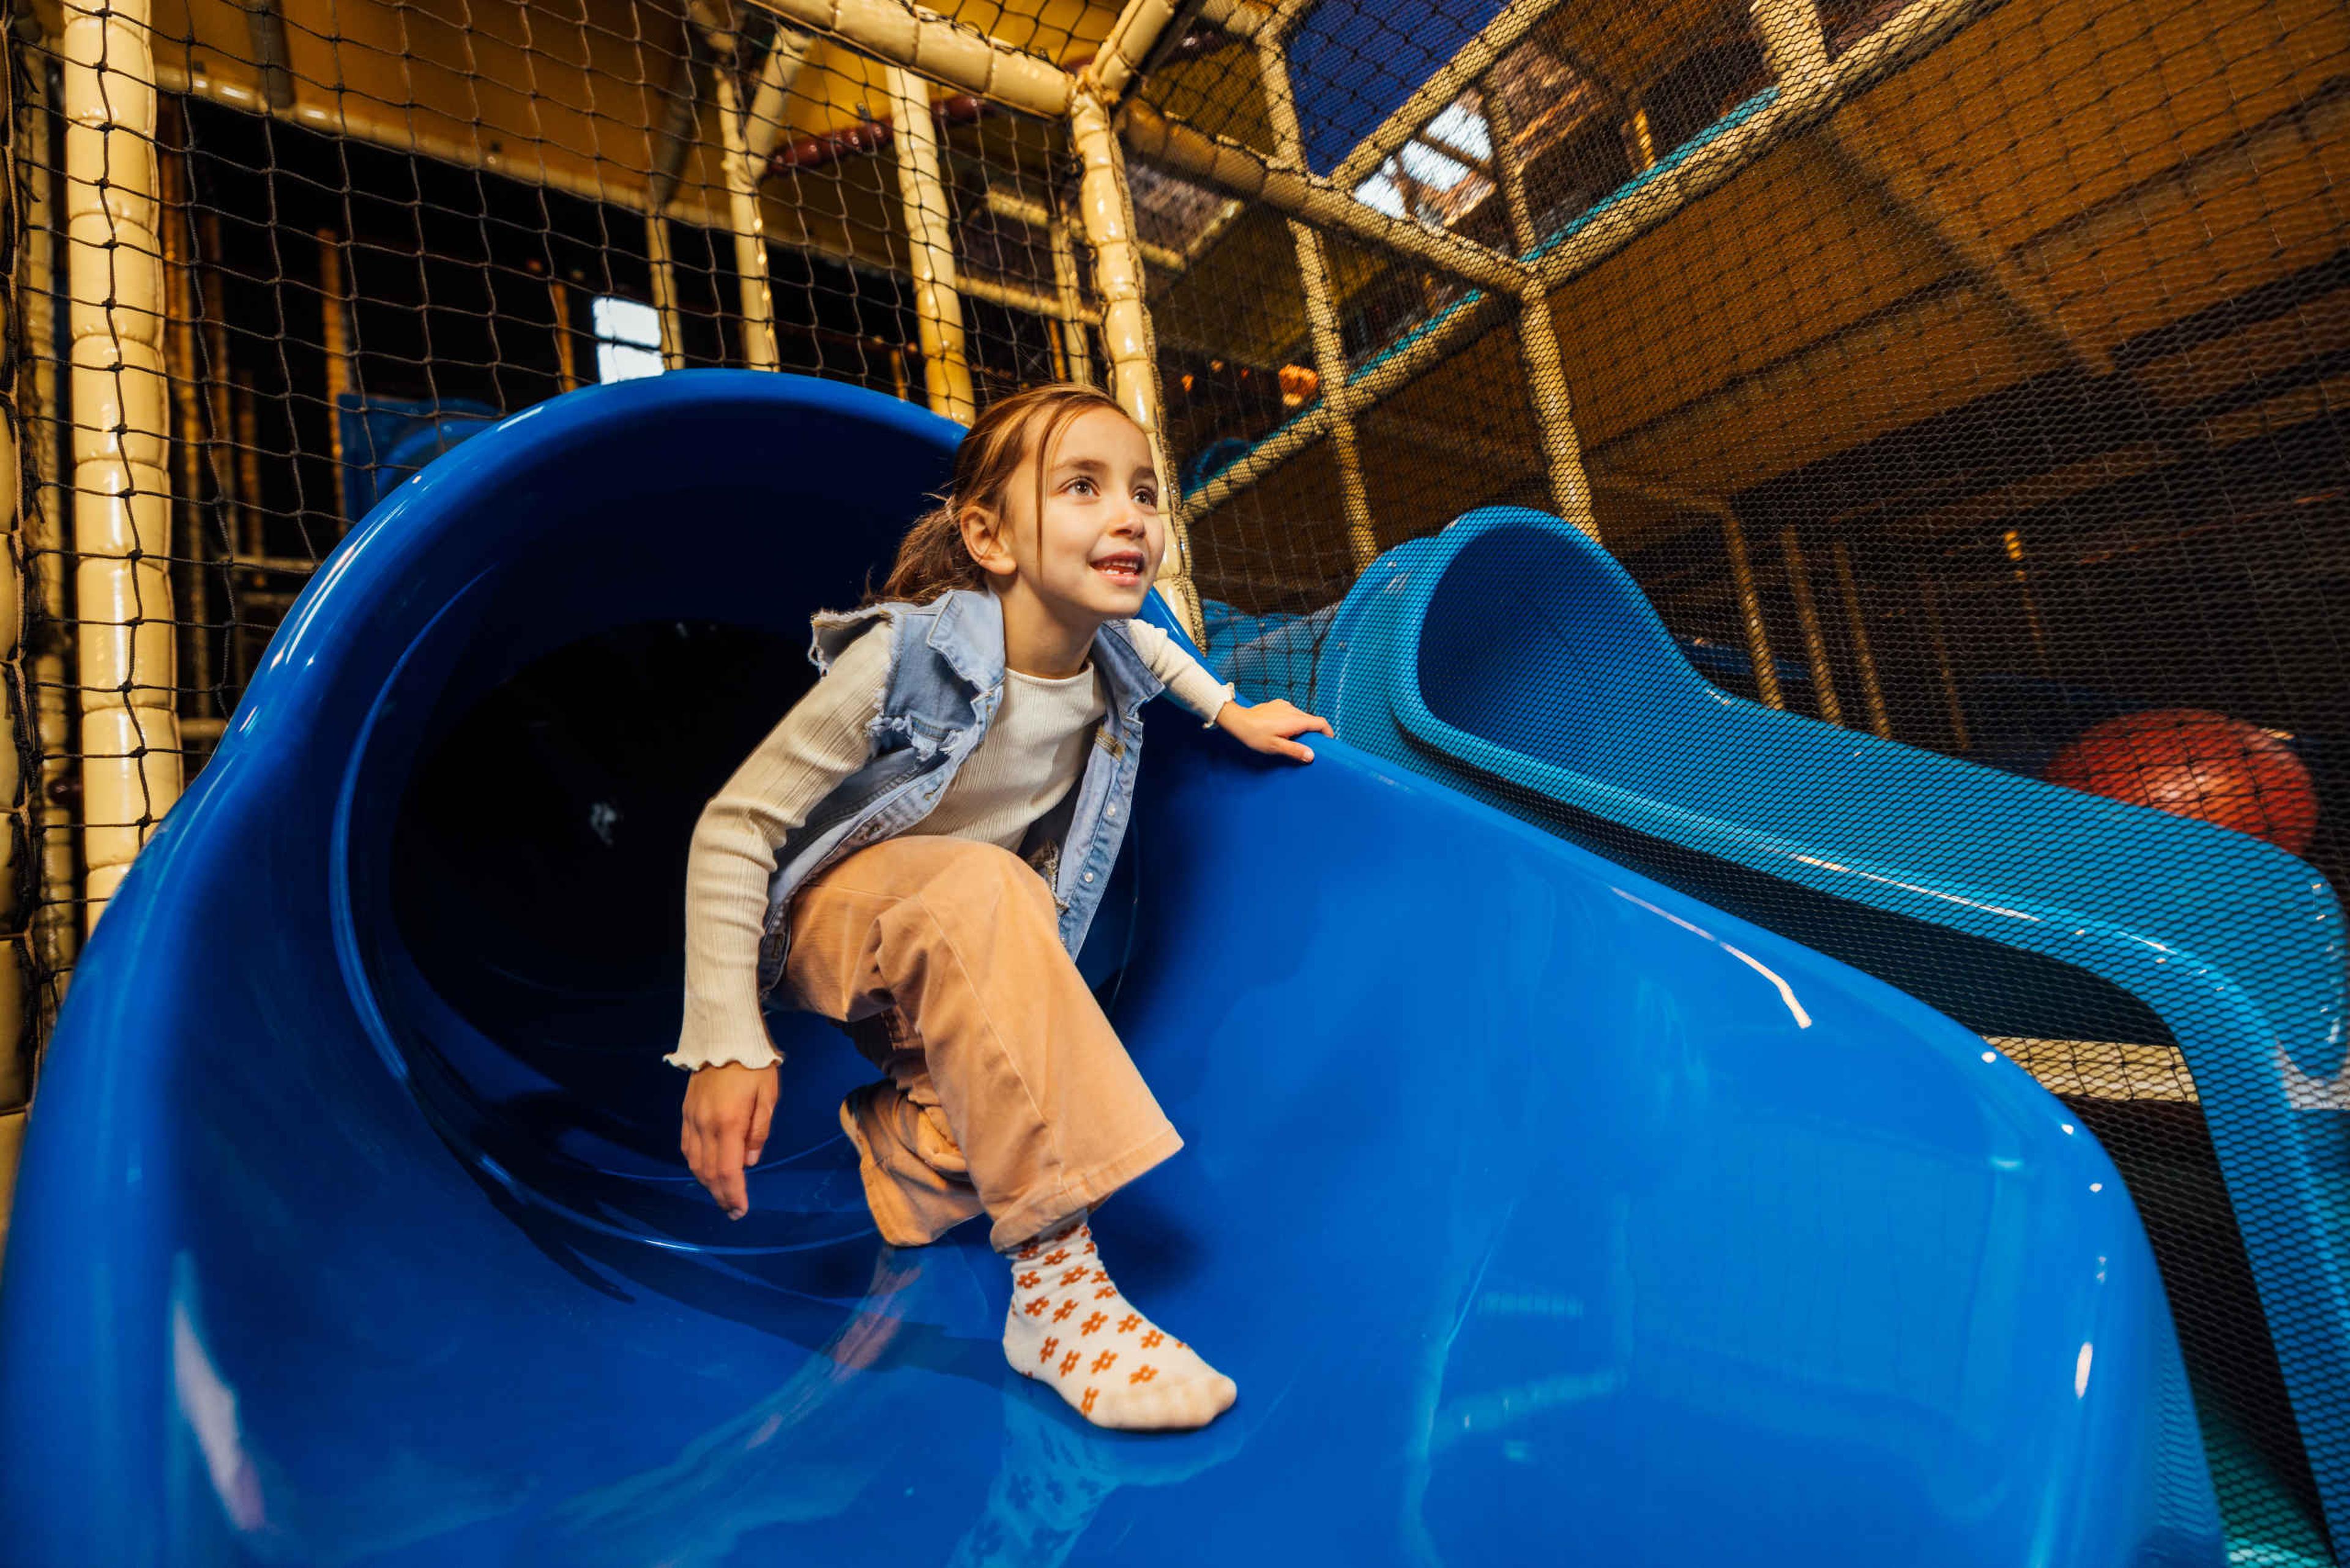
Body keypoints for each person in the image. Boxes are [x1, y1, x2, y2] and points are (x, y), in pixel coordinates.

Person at [668, 383, 1332, 1431]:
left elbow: (1155, 652)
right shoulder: (907, 656)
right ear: (988, 535)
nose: (1132, 515)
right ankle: (1058, 1294)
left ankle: (902, 1140)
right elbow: (736, 826)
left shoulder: (1104, 649)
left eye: (1144, 492)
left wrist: (1230, 709)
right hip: (829, 918)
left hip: (957, 939)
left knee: (975, 1120)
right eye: (1083, 487)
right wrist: (723, 1038)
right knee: (987, 884)